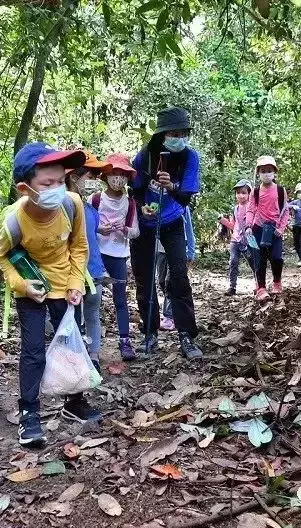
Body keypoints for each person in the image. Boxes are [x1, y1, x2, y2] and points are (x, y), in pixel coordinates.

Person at [0, 142, 103, 448]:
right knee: (32, 350)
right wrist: (22, 286)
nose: (57, 188)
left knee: (72, 343)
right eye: (47, 183)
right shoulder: (14, 220)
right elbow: (3, 258)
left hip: (66, 285)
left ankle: (75, 400)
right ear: (24, 188)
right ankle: (29, 412)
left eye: (60, 181)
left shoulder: (72, 204)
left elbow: (79, 246)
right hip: (32, 288)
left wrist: (75, 283)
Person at [131, 107, 202, 359]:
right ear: (162, 135)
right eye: (173, 132)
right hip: (146, 224)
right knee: (144, 278)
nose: (178, 137)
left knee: (179, 277)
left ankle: (186, 335)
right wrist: (143, 209)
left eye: (182, 133)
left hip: (172, 222)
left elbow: (186, 198)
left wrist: (171, 185)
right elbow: (135, 190)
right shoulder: (144, 157)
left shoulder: (190, 158)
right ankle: (149, 334)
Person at [65, 151, 112, 372]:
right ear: (74, 176)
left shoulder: (89, 209)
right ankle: (74, 357)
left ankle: (93, 357)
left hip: (94, 270)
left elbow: (91, 240)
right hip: (71, 274)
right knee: (71, 317)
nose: (94, 181)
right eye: (91, 176)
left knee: (93, 313)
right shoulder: (64, 206)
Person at [90, 153, 139, 361]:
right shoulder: (95, 199)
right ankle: (89, 341)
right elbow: (86, 226)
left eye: (122, 174)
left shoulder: (130, 203)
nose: (117, 178)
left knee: (120, 298)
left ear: (127, 177)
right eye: (114, 173)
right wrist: (100, 229)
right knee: (92, 299)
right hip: (98, 255)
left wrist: (126, 229)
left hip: (119, 255)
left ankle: (125, 340)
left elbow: (136, 231)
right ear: (106, 176)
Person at [244, 155, 290, 302]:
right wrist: (248, 226)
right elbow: (251, 209)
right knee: (259, 259)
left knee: (276, 257)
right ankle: (261, 288)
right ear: (259, 173)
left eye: (269, 170)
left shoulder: (281, 191)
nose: (266, 173)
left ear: (274, 172)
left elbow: (285, 211)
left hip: (275, 230)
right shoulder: (255, 192)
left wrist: (281, 228)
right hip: (258, 229)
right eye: (263, 171)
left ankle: (277, 282)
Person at [158, 206, 195, 329]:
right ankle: (173, 309)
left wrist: (191, 251)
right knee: (162, 281)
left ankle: (169, 316)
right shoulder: (155, 203)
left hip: (177, 248)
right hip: (160, 250)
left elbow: (188, 229)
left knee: (171, 282)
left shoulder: (181, 207)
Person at [219, 179, 255, 296]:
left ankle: (259, 285)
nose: (240, 195)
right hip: (236, 239)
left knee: (254, 262)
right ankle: (232, 287)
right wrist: (223, 221)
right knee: (233, 262)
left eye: (243, 192)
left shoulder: (252, 207)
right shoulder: (235, 208)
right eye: (238, 192)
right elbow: (233, 225)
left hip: (250, 239)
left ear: (249, 194)